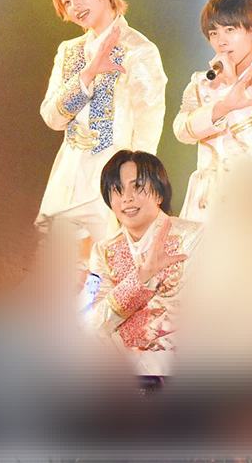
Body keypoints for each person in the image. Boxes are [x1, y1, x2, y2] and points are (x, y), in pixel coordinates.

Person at [37, 0, 167, 244]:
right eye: (66, 1)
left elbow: (149, 121)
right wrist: (88, 74)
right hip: (69, 175)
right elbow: (52, 117)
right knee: (61, 260)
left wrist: (138, 184)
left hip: (115, 178)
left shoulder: (138, 50)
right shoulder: (69, 51)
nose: (74, 6)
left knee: (108, 258)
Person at [173, 0, 252, 222]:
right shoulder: (202, 82)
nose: (221, 41)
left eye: (230, 30)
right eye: (214, 33)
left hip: (251, 201)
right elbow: (181, 130)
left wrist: (232, 86)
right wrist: (221, 108)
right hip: (204, 206)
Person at [87, 150, 203, 375]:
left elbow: (196, 312)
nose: (127, 198)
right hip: (122, 367)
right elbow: (96, 320)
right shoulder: (103, 251)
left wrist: (120, 328)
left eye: (137, 187)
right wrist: (143, 275)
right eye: (117, 190)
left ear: (159, 194)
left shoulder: (192, 236)